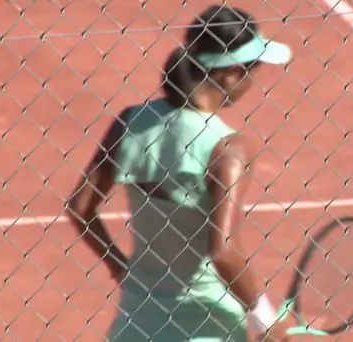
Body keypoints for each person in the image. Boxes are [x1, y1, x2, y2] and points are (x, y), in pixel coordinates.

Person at [66, 5, 292, 342]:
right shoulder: (229, 148)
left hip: (136, 324)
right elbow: (223, 251)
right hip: (208, 327)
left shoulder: (131, 123)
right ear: (230, 72)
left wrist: (120, 267)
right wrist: (268, 324)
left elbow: (80, 208)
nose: (253, 80)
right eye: (252, 69)